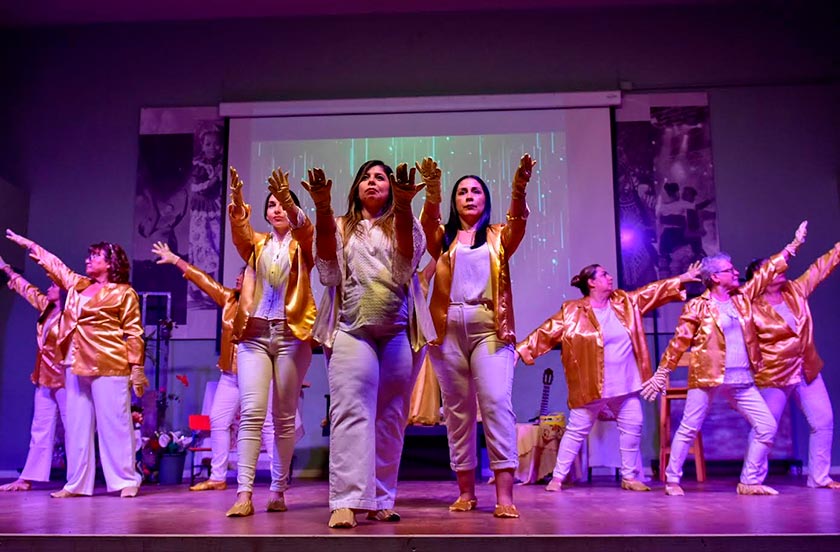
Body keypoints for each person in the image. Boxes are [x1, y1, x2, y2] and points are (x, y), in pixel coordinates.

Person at [305, 161, 433, 528]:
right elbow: (328, 272)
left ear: (393, 188)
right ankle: (346, 500)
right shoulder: (340, 225)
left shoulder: (406, 222)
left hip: (398, 332)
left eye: (380, 177)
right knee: (350, 411)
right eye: (366, 177)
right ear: (356, 187)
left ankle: (380, 498)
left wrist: (405, 207)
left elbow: (406, 267)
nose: (372, 182)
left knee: (391, 417)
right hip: (351, 329)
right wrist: (322, 208)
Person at [642, 221, 808, 496]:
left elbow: (767, 272)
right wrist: (662, 372)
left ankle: (749, 481)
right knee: (689, 427)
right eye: (730, 270)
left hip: (741, 378)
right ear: (716, 277)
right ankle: (672, 480)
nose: (736, 272)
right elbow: (679, 342)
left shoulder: (742, 298)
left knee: (766, 426)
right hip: (708, 375)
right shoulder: (697, 306)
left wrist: (793, 246)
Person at [517, 262, 700, 493]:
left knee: (633, 425)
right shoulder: (573, 311)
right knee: (577, 430)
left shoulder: (625, 303)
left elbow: (652, 291)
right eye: (604, 275)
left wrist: (683, 277)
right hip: (592, 385)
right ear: (592, 282)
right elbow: (546, 332)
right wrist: (520, 350)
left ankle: (629, 477)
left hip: (625, 383)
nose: (610, 277)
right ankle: (558, 478)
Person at [419, 154, 535, 518]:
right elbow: (426, 224)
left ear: (486, 199)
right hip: (448, 331)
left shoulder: (499, 236)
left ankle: (505, 496)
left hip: (490, 329)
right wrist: (433, 191)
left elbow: (519, 220)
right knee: (458, 413)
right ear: (454, 201)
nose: (469, 196)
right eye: (462, 192)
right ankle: (466, 492)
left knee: (496, 404)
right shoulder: (443, 238)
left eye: (476, 191)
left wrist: (519, 188)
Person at [150, 243, 302, 496]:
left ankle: (279, 478)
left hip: (259, 374)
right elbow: (204, 281)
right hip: (230, 375)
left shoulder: (267, 306)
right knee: (219, 421)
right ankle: (218, 476)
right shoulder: (229, 299)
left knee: (267, 425)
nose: (238, 278)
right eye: (239, 275)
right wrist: (175, 259)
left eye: (243, 275)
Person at [6, 230, 147, 498]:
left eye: (95, 256)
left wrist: (136, 367)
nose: (88, 260)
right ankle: (77, 484)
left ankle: (126, 480)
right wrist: (30, 245)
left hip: (108, 363)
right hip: (75, 362)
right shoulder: (78, 285)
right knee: (77, 427)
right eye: (89, 256)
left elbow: (133, 332)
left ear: (111, 263)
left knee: (114, 424)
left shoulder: (124, 293)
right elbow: (55, 265)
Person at [223, 166, 316, 517]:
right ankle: (244, 493)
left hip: (292, 336)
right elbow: (240, 232)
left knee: (284, 416)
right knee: (251, 413)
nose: (277, 210)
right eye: (272, 205)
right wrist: (237, 200)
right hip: (256, 335)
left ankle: (278, 489)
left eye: (283, 204)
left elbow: (307, 230)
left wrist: (293, 204)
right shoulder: (256, 244)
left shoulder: (303, 245)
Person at [746, 241, 840, 490]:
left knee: (823, 421)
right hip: (774, 374)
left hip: (806, 368)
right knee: (764, 428)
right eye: (772, 267)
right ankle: (751, 480)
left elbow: (820, 268)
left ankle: (819, 477)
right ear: (761, 277)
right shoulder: (751, 306)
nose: (781, 268)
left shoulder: (795, 291)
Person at [0, 256, 66, 492]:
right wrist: (7, 269)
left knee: (74, 429)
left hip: (67, 379)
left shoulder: (73, 316)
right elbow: (28, 290)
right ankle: (27, 477)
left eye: (53, 285)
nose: (49, 288)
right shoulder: (47, 309)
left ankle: (78, 480)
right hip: (44, 378)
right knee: (40, 427)